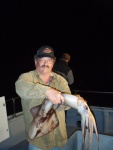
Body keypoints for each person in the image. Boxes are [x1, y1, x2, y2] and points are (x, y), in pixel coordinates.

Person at [15, 45, 71, 150]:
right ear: (36, 61)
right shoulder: (26, 77)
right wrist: (47, 91)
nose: (46, 63)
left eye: (49, 60)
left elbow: (67, 105)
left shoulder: (61, 80)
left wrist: (61, 103)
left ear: (53, 63)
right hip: (37, 141)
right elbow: (20, 87)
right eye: (42, 60)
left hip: (58, 138)